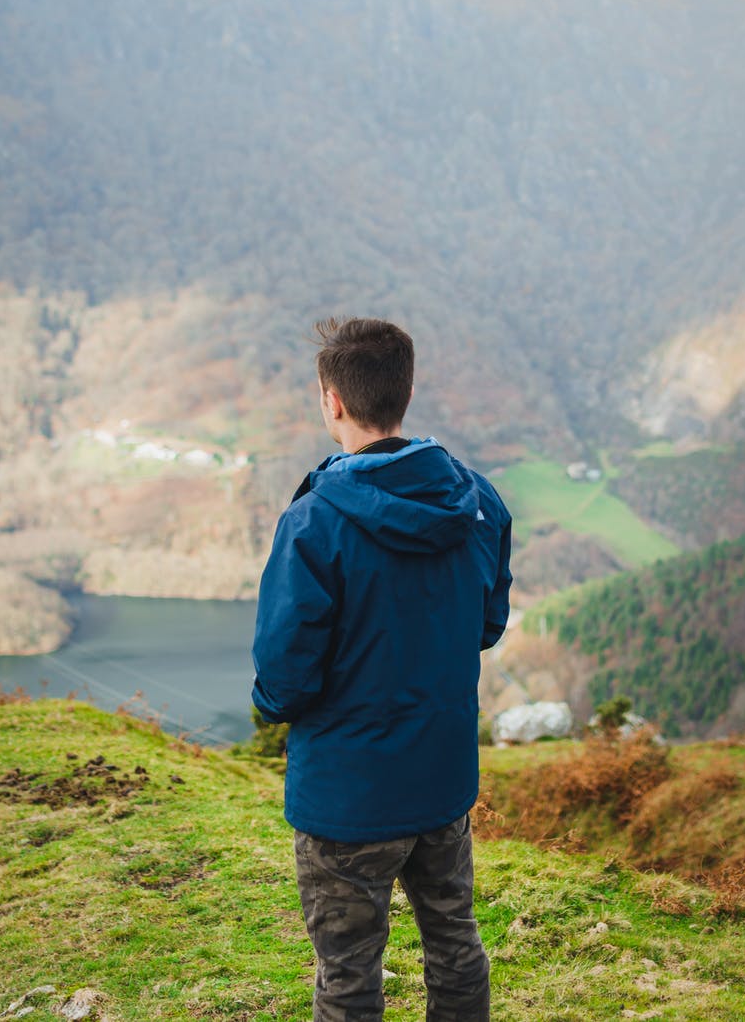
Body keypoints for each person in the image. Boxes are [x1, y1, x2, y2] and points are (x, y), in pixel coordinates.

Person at [252, 316, 512, 1021]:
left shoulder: (313, 523)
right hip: (440, 776)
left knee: (347, 970)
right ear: (407, 390)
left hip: (347, 793)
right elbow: (484, 626)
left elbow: (283, 678)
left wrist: (275, 701)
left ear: (331, 401)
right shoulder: (479, 502)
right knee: (454, 943)